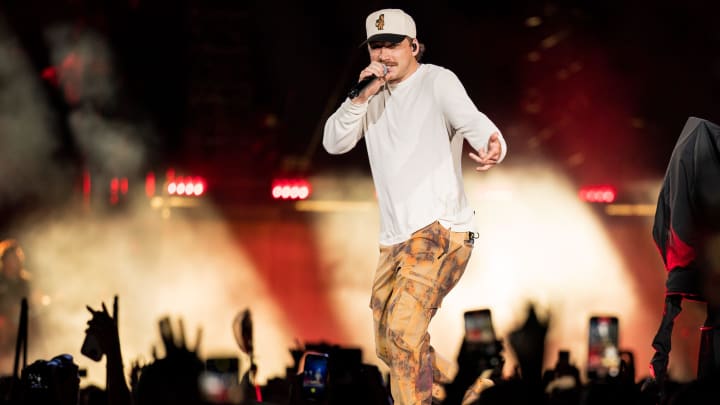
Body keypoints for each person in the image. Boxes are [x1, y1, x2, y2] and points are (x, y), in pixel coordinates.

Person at [322, 8, 507, 404]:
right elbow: (333, 142)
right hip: (395, 242)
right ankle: (478, 392)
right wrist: (360, 97)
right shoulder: (368, 95)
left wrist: (492, 142)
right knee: (389, 347)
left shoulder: (437, 81)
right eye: (376, 47)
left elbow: (472, 120)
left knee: (404, 338)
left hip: (441, 229)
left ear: (413, 46)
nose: (384, 55)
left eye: (392, 45)